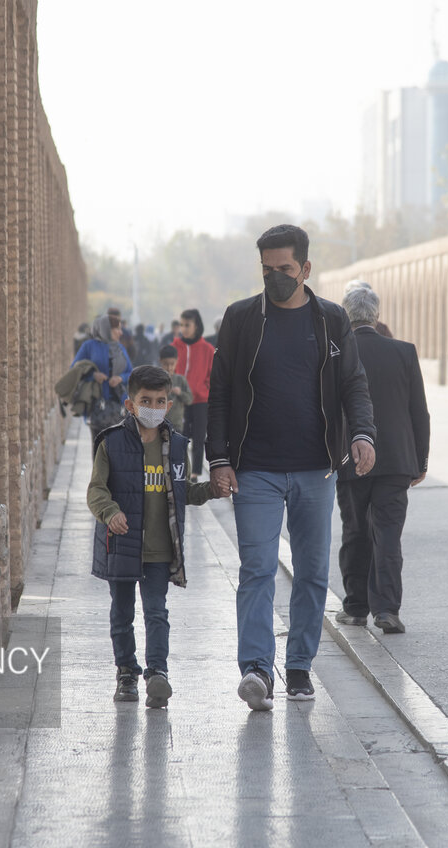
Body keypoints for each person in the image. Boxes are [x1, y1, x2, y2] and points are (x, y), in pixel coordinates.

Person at [207, 224, 376, 711]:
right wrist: (219, 458)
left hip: (316, 470)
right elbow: (219, 392)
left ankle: (299, 665)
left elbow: (354, 385)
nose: (275, 277)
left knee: (312, 573)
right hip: (255, 469)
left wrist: (362, 435)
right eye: (267, 270)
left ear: (305, 269)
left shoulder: (330, 320)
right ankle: (257, 668)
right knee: (257, 569)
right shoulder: (241, 319)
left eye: (284, 269)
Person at [87, 365, 221, 707]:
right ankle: (127, 674)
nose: (154, 407)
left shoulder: (177, 447)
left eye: (160, 401)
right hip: (121, 544)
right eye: (146, 400)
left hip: (161, 548)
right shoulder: (112, 443)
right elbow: (96, 490)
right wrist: (110, 511)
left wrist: (212, 490)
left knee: (157, 611)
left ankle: (157, 673)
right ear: (131, 404)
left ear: (169, 404)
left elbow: (182, 491)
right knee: (122, 613)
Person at [334, 286, 429, 634]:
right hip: (395, 461)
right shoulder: (404, 352)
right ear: (376, 314)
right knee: (388, 534)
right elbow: (419, 411)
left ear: (346, 314)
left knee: (355, 531)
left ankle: (356, 606)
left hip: (350, 458)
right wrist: (420, 461)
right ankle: (387, 609)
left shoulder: (338, 353)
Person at [71, 314, 133, 448]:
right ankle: (99, 469)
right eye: (117, 329)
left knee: (117, 448)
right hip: (98, 404)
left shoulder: (120, 348)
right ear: (106, 329)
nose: (121, 332)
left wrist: (120, 378)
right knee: (99, 447)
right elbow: (75, 369)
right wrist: (93, 375)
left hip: (119, 405)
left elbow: (131, 373)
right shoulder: (89, 346)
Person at [170, 308, 216, 480]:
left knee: (198, 437)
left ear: (196, 326)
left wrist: (204, 389)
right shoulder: (174, 347)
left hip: (200, 400)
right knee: (180, 436)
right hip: (179, 400)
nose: (183, 328)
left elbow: (213, 375)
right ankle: (180, 470)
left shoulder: (207, 349)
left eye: (187, 325)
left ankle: (195, 472)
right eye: (181, 325)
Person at [157, 344, 193, 433]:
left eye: (172, 364)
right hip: (158, 424)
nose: (169, 368)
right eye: (166, 364)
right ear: (160, 361)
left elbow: (189, 399)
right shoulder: (156, 379)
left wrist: (180, 393)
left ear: (177, 362)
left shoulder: (180, 380)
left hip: (177, 425)